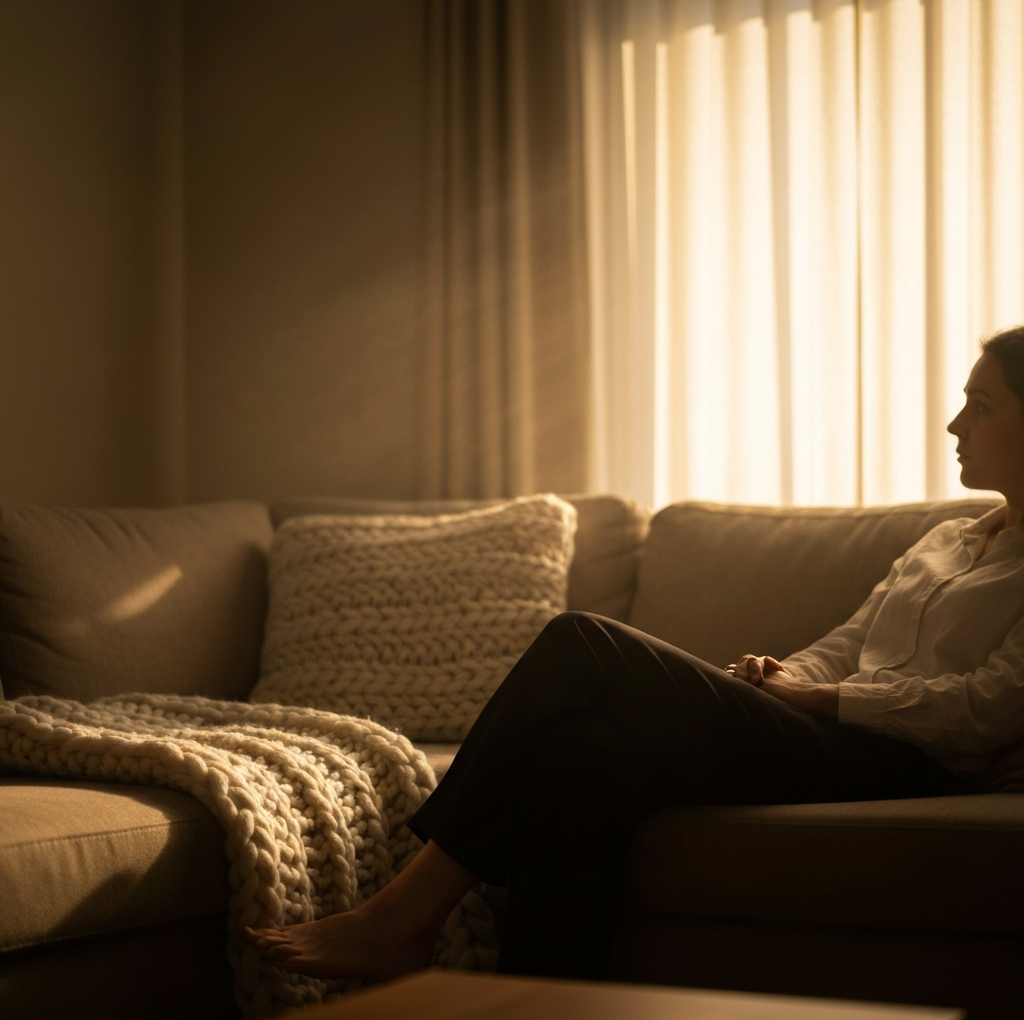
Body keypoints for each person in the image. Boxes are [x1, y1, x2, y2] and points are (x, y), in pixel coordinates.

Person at [244, 326, 1024, 982]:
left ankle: (399, 916)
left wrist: (821, 701)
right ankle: (536, 1001)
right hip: (837, 730)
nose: (955, 425)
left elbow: (989, 709)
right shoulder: (948, 539)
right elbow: (850, 642)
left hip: (910, 759)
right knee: (580, 752)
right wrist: (788, 676)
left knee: (579, 642)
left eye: (980, 407)